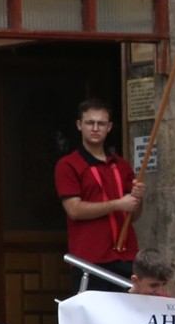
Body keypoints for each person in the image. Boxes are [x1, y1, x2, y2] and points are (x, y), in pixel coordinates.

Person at [55, 97, 145, 292]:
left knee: (125, 321)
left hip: (126, 257)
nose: (95, 128)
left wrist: (138, 199)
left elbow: (134, 215)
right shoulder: (68, 165)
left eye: (101, 123)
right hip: (89, 260)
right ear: (79, 125)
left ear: (109, 127)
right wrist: (118, 204)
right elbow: (74, 210)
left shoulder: (122, 165)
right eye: (90, 123)